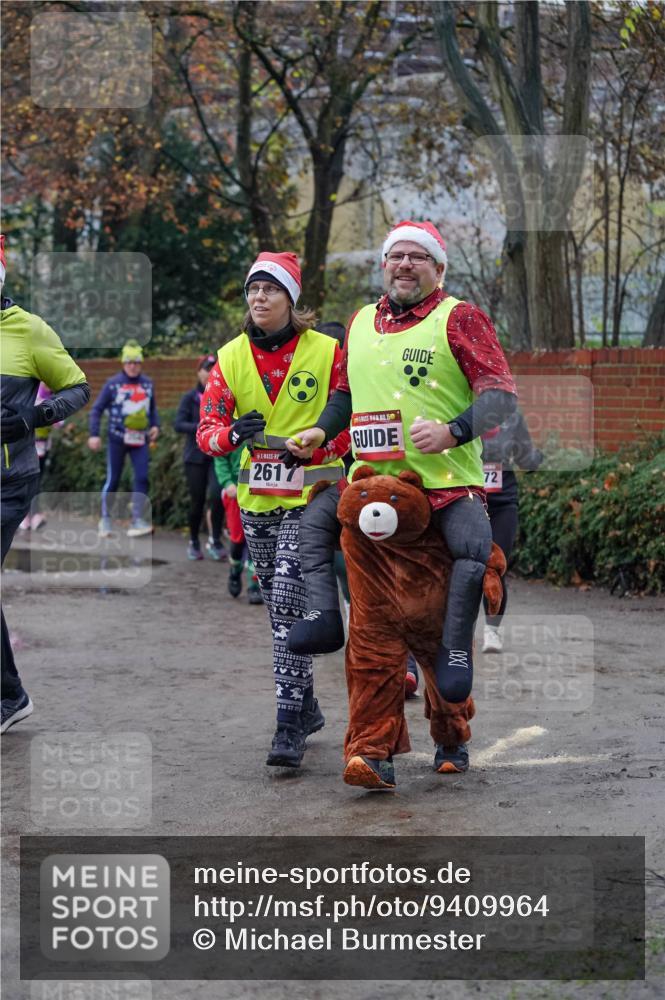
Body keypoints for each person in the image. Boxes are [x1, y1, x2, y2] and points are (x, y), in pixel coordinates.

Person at [285, 219, 517, 775]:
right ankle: (371, 750)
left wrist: (453, 431)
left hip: (437, 502)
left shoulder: (458, 317)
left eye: (417, 257)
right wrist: (320, 431)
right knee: (372, 639)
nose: (405, 265)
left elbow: (500, 396)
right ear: (384, 265)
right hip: (369, 506)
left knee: (434, 634)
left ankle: (451, 733)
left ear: (438, 268)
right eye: (396, 256)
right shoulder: (360, 323)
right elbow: (343, 397)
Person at [197, 251, 349, 768]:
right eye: (253, 290)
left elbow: (351, 420)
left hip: (314, 495)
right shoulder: (230, 356)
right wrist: (230, 435)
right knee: (279, 612)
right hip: (258, 497)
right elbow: (207, 434)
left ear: (291, 299)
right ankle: (306, 706)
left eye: (270, 290)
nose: (259, 298)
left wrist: (320, 446)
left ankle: (287, 726)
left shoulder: (328, 352)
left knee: (285, 598)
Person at [0, 233, 90, 733]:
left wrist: (31, 417)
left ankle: (10, 698)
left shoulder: (28, 330)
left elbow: (77, 388)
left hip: (9, 481)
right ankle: (9, 695)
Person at [480, 409, 544, 653]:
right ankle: (457, 633)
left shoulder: (512, 418)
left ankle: (491, 631)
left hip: (502, 502)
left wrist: (536, 460)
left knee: (496, 565)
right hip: (466, 499)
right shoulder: (457, 410)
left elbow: (525, 457)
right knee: (464, 567)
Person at [87, 340, 159, 537]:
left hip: (140, 440)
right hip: (117, 439)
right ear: (123, 363)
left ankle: (137, 519)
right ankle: (105, 519)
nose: (133, 366)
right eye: (129, 362)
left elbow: (152, 409)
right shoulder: (113, 384)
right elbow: (96, 410)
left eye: (136, 362)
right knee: (114, 479)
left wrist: (155, 425)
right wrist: (94, 434)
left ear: (141, 363)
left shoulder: (147, 383)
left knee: (142, 477)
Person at [174, 355, 226, 561]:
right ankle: (194, 540)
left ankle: (215, 539)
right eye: (206, 368)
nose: (210, 372)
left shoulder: (221, 395)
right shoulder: (190, 398)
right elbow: (178, 424)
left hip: (216, 457)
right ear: (199, 372)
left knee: (217, 496)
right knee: (197, 501)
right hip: (195, 457)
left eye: (213, 368)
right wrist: (202, 428)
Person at [213, 449, 263, 604]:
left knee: (257, 540)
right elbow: (220, 457)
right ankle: (235, 570)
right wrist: (227, 482)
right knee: (238, 540)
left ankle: (254, 585)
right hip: (235, 492)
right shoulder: (233, 428)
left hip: (261, 490)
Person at [18, 382, 62, 531]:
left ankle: (32, 515)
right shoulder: (33, 394)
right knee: (29, 479)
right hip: (27, 444)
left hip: (44, 446)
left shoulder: (55, 397)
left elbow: (60, 421)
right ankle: (26, 516)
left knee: (37, 479)